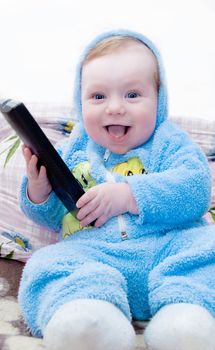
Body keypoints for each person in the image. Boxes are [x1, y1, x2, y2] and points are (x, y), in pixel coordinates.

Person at [18, 29, 215, 350]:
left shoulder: (169, 142)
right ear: (79, 103)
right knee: (47, 263)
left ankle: (187, 320)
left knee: (209, 247)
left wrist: (130, 194)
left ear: (159, 100)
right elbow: (54, 215)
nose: (115, 108)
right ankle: (87, 321)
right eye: (98, 97)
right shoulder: (73, 151)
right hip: (95, 255)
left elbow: (194, 188)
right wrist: (39, 191)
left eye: (132, 95)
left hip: (170, 249)